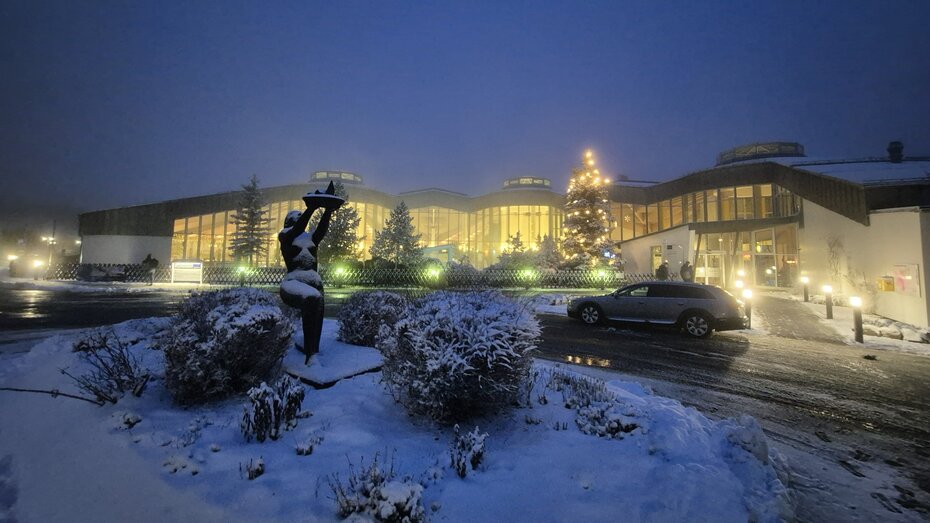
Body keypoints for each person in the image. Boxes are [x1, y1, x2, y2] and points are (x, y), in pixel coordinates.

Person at [278, 182, 344, 364]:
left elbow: (321, 230)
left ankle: (312, 349)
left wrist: (328, 210)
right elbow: (298, 228)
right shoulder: (285, 237)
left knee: (317, 312)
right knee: (312, 299)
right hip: (293, 283)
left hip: (314, 283)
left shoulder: (310, 239)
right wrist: (312, 208)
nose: (300, 221)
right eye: (296, 218)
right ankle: (311, 357)